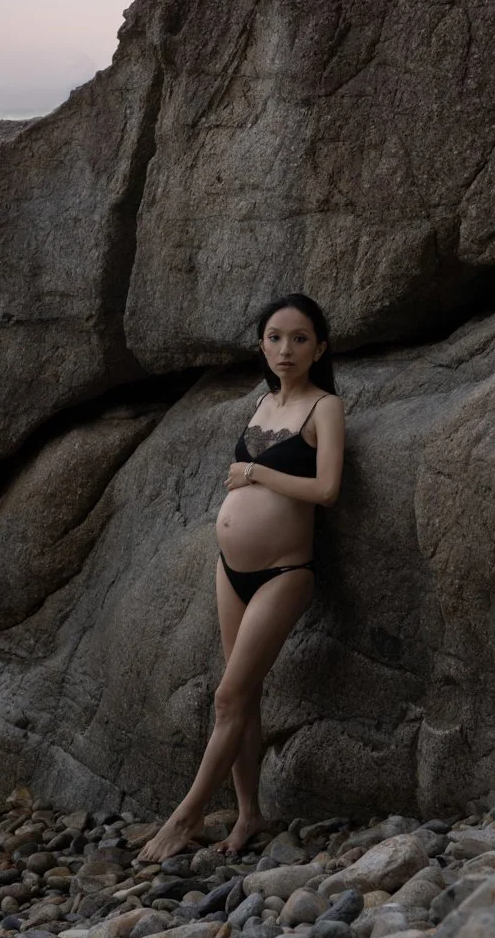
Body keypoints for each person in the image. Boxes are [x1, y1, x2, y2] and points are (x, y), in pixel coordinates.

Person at [137, 293, 345, 862]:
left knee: (227, 695)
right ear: (261, 344)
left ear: (319, 348)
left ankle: (188, 815)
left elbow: (327, 490)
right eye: (276, 337)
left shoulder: (323, 407)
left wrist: (255, 472)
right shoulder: (261, 403)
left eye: (300, 339)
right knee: (243, 698)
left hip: (285, 572)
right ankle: (249, 814)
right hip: (232, 570)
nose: (286, 349)